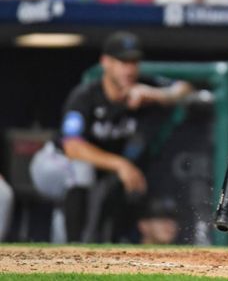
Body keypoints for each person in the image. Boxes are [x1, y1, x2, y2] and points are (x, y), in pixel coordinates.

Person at [29, 31, 193, 242]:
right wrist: (121, 164)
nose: (129, 69)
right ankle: (74, 249)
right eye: (122, 61)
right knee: (81, 170)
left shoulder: (144, 87)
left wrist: (156, 95)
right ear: (105, 62)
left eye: (133, 62)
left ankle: (88, 247)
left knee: (108, 187)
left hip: (97, 172)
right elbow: (73, 148)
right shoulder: (86, 95)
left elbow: (185, 90)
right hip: (53, 163)